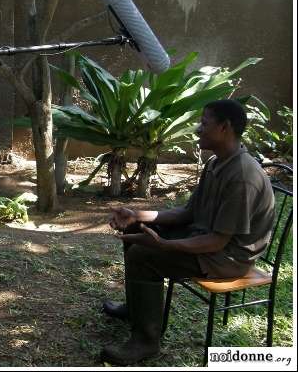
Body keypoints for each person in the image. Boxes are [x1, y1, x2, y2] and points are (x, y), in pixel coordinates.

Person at [99, 99, 276, 365]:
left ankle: (146, 342)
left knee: (142, 254)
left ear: (225, 127)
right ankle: (137, 310)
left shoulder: (242, 176)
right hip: (206, 239)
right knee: (137, 228)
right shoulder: (217, 163)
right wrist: (137, 215)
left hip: (227, 258)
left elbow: (217, 242)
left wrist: (163, 245)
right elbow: (187, 214)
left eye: (204, 123)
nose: (197, 129)